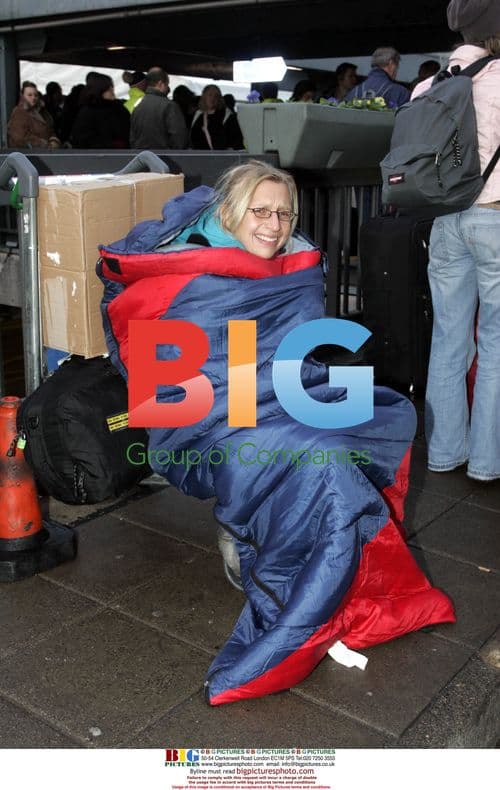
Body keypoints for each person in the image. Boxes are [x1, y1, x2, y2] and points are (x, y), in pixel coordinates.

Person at [98, 160, 453, 702]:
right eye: (259, 211)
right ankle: (282, 570)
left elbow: (293, 358)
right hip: (207, 427)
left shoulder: (293, 269)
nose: (273, 224)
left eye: (283, 213)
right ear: (229, 212)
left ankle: (295, 556)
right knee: (318, 458)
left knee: (376, 417)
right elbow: (175, 382)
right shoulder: (181, 276)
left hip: (275, 401)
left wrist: (300, 394)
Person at [414, 0, 500, 482]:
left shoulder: (430, 84)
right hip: (494, 218)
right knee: (496, 343)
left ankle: (446, 452)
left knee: (448, 338)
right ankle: (488, 462)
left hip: (444, 222)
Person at [130, 67, 188, 149]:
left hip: (142, 157)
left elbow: (133, 138)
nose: (168, 88)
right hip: (163, 158)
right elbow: (179, 137)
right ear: (160, 83)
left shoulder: (137, 106)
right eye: (167, 84)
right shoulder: (169, 106)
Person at [70, 72, 130, 148]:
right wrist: (112, 145)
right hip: (96, 156)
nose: (112, 90)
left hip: (122, 154)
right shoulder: (87, 112)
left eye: (112, 86)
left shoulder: (119, 108)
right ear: (99, 89)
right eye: (108, 88)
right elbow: (83, 140)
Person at [345, 47, 410, 107]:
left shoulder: (352, 93)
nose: (396, 71)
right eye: (397, 66)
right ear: (391, 64)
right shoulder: (401, 93)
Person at [7, 81, 60, 149]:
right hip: (27, 155)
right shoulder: (19, 112)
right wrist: (43, 143)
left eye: (35, 95)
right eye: (29, 95)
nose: (33, 98)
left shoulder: (42, 111)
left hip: (46, 153)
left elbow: (50, 129)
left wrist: (54, 140)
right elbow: (19, 137)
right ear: (22, 96)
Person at [190, 84, 243, 150]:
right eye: (210, 95)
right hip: (200, 156)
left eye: (216, 96)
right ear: (204, 97)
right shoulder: (198, 114)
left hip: (221, 156)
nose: (213, 98)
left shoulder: (227, 116)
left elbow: (234, 140)